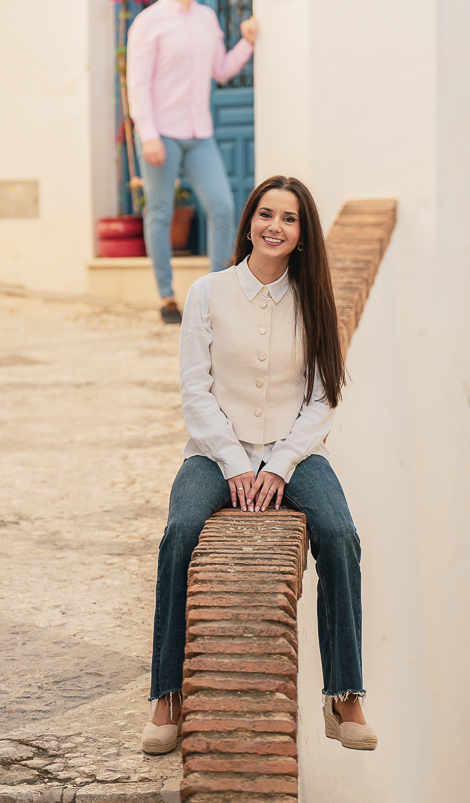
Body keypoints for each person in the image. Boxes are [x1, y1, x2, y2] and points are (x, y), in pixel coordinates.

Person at [141, 175, 378, 755]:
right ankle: (167, 693)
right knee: (179, 533)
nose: (275, 226)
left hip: (294, 452)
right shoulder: (207, 293)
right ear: (249, 221)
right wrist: (233, 462)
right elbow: (195, 391)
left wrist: (281, 465)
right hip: (215, 451)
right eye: (266, 214)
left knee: (340, 535)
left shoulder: (313, 301)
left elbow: (323, 398)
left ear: (303, 234)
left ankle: (344, 693)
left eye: (289, 218)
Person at [127, 0, 257, 324]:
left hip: (200, 133)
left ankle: (218, 296)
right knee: (160, 211)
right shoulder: (147, 23)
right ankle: (167, 297)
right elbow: (137, 83)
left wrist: (247, 41)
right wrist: (148, 134)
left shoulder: (207, 17)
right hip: (161, 133)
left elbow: (221, 70)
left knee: (222, 206)